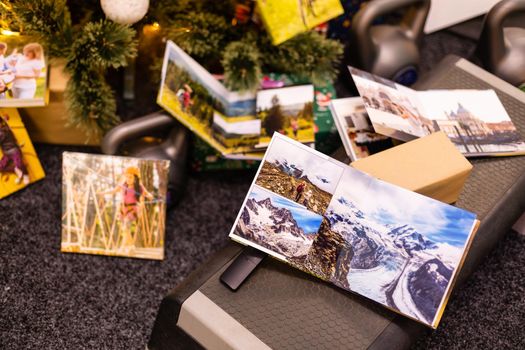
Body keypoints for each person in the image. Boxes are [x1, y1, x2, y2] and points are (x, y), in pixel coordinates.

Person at [100, 166, 153, 252]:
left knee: (126, 226)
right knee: (125, 229)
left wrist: (150, 196)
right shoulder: (123, 185)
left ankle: (123, 247)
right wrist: (104, 192)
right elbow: (113, 191)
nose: (128, 178)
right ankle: (131, 246)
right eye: (127, 176)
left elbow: (147, 194)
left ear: (135, 178)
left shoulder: (139, 186)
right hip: (123, 208)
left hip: (133, 208)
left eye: (130, 177)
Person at [0, 115, 29, 185]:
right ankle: (16, 169)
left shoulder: (4, 131)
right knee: (1, 167)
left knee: (19, 164)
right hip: (6, 153)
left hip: (14, 151)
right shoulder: (5, 129)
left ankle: (25, 175)